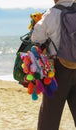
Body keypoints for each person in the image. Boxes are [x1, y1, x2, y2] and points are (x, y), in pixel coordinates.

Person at [31, 0, 76, 130]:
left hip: (58, 68)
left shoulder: (52, 13)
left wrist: (36, 23)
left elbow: (36, 38)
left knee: (50, 114)